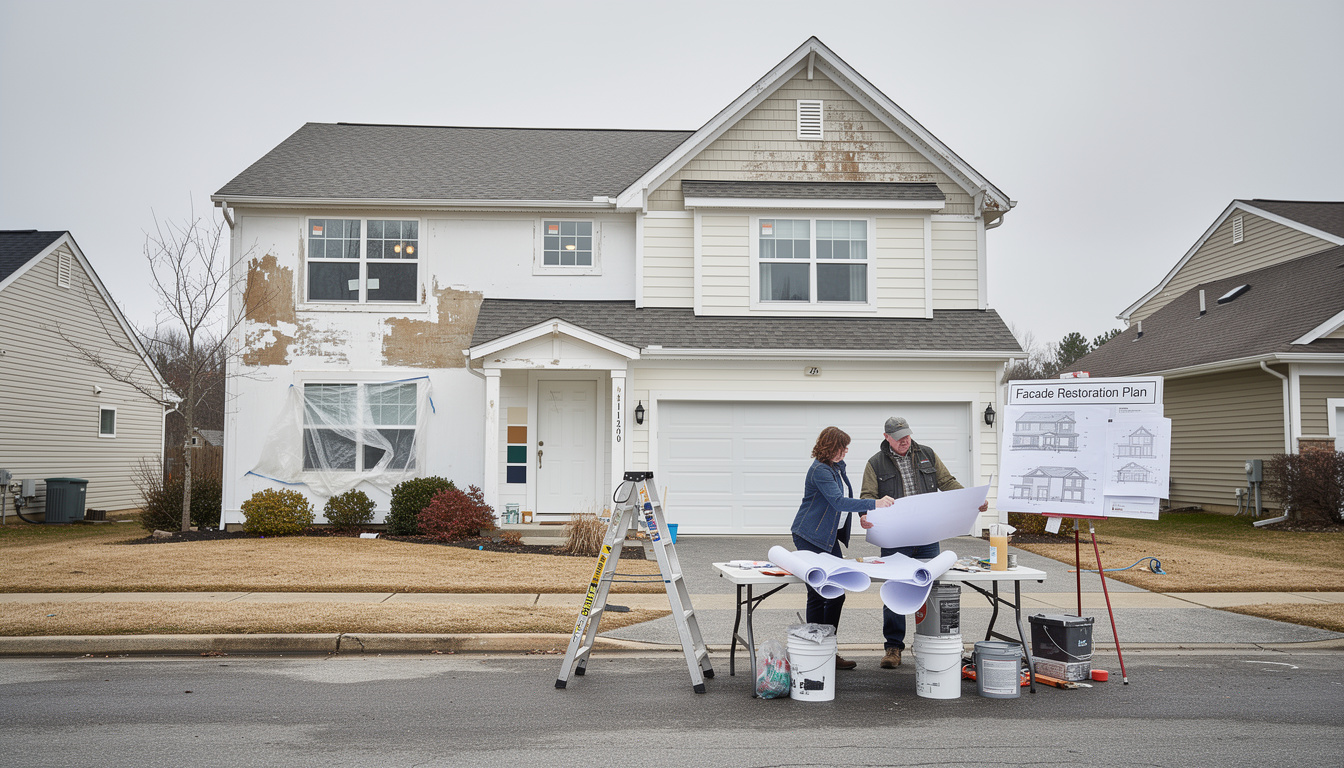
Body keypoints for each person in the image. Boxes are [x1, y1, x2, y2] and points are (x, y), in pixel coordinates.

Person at [860, 416, 989, 669]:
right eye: (898, 438)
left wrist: (970, 500)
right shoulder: (875, 463)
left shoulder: (926, 454)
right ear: (887, 438)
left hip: (928, 535)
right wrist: (865, 514)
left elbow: (947, 482)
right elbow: (868, 496)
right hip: (896, 537)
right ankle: (893, 648)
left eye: (907, 435)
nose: (904, 440)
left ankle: (931, 643)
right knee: (896, 590)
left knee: (930, 588)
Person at [791, 426, 894, 670]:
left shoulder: (837, 467)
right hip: (809, 536)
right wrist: (875, 503)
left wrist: (863, 514)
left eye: (847, 448)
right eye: (841, 447)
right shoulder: (820, 470)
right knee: (819, 593)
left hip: (826, 538)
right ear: (828, 447)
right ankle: (817, 652)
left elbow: (846, 496)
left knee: (836, 593)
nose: (845, 452)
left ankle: (828, 649)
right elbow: (838, 501)